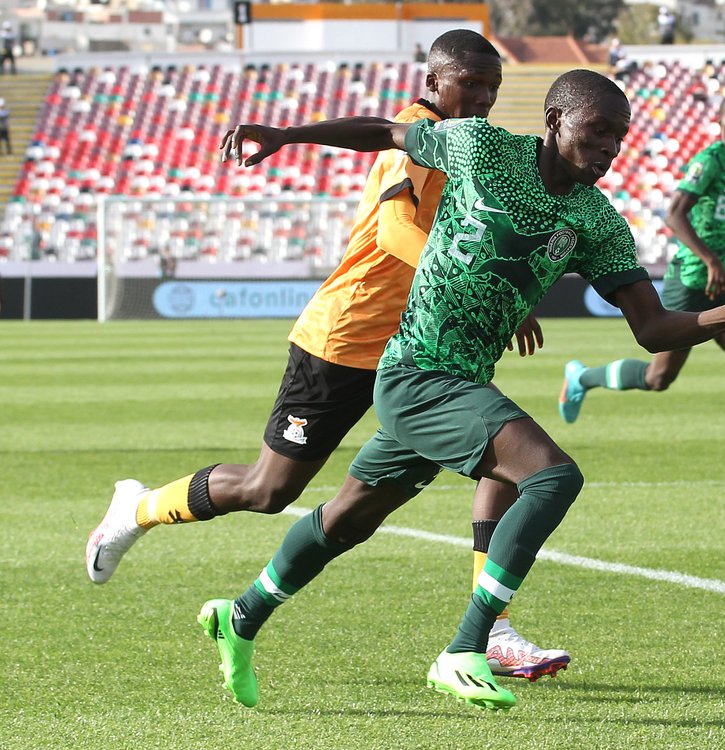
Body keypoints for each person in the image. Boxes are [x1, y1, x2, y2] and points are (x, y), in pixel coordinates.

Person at [203, 70, 725, 711]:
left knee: (349, 519)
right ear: (554, 120)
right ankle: (466, 648)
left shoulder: (596, 221)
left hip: (461, 383)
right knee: (552, 476)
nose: (609, 148)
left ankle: (238, 616)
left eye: (619, 137)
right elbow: (384, 131)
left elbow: (654, 328)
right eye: (596, 130)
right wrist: (287, 136)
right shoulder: (481, 148)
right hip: (415, 373)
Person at [85, 30, 570, 684]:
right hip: (346, 338)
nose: (483, 99)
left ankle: (494, 631)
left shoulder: (464, 145)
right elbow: (398, 229)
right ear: (435, 81)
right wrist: (476, 277)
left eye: (493, 89)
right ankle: (137, 509)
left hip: (420, 348)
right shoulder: (414, 132)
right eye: (472, 85)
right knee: (268, 489)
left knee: (504, 459)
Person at [558, 93, 725, 494]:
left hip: (722, 283)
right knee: (658, 378)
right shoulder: (709, 162)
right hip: (691, 279)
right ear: (722, 122)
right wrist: (710, 260)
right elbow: (674, 213)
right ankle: (582, 377)